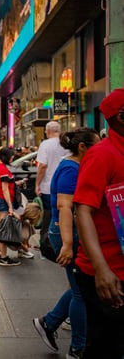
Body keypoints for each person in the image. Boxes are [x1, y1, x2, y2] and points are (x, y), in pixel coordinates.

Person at [33, 127, 100, 359]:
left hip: (72, 232)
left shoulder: (76, 165)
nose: (99, 148)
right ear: (83, 147)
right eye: (96, 144)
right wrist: (68, 244)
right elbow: (64, 207)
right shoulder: (71, 169)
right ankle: (77, 348)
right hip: (65, 233)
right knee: (81, 291)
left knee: (77, 286)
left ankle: (48, 323)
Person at [74, 88, 124, 358]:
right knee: (106, 348)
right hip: (107, 273)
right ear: (120, 117)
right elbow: (83, 211)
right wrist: (102, 270)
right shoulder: (101, 155)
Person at [35, 121, 69, 248]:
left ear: (48, 131)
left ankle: (46, 242)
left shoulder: (45, 144)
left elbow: (42, 166)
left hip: (48, 187)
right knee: (65, 214)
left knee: (49, 215)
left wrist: (37, 184)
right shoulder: (66, 143)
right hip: (65, 186)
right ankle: (64, 241)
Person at [0, 148, 27, 266]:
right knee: (3, 229)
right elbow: (5, 189)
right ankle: (3, 257)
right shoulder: (2, 169)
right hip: (3, 200)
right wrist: (10, 207)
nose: (13, 158)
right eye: (11, 157)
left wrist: (17, 183)